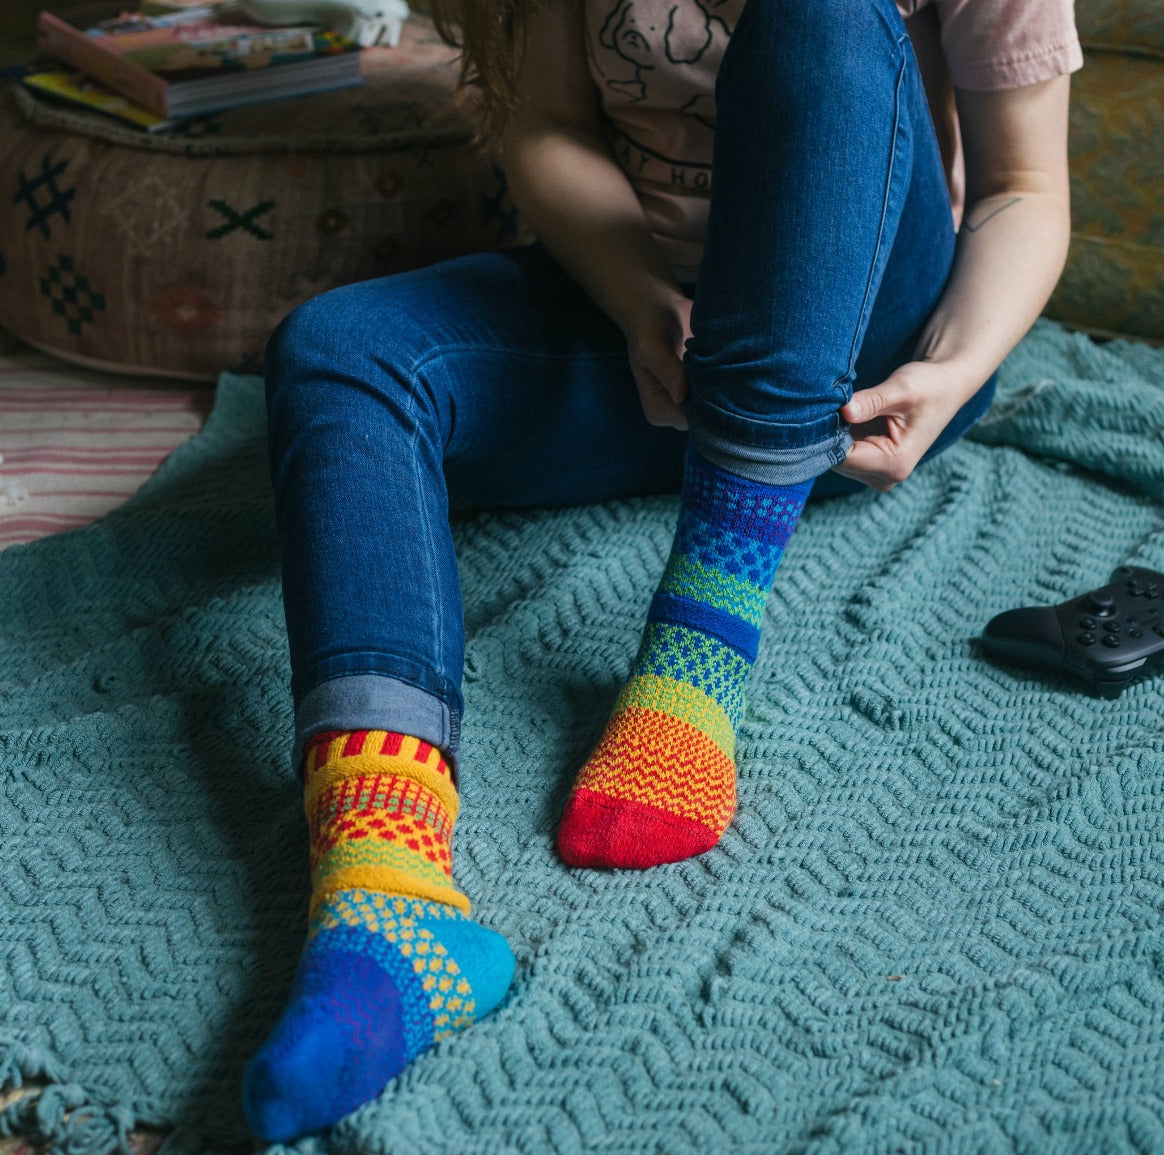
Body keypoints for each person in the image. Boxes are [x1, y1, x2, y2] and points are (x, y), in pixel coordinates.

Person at [242, 0, 1081, 1140]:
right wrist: (633, 294)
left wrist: (956, 366)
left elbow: (1021, 190)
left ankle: (701, 635)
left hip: (859, 370)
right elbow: (544, 129)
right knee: (339, 354)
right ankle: (386, 884)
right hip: (645, 331)